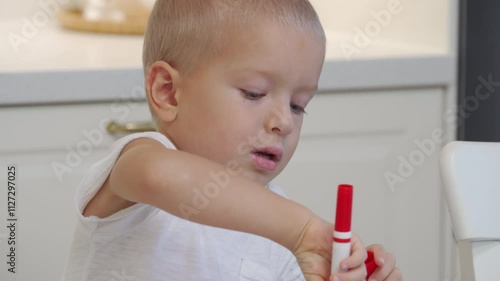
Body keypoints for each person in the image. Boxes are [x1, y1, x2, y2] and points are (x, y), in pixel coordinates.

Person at [62, 1, 402, 280]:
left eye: (298, 106)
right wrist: (301, 231)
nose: (284, 121)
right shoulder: (139, 162)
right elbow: (159, 176)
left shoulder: (281, 225)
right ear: (168, 92)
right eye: (254, 93)